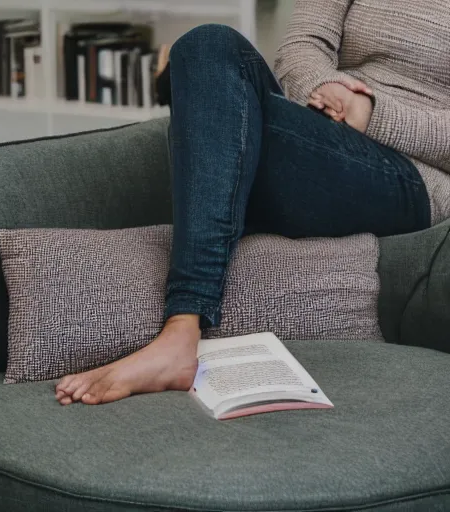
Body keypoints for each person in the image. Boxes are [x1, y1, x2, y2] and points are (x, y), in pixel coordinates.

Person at [55, 0, 450, 406]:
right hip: (328, 134)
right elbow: (302, 46)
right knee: (208, 43)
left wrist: (372, 114)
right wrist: (323, 88)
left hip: (417, 175)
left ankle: (181, 324)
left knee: (220, 111)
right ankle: (180, 331)